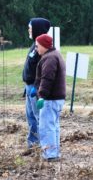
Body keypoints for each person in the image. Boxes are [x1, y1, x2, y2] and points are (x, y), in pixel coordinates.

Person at [33, 34, 66, 161]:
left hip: (50, 99)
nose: (36, 49)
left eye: (37, 46)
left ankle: (50, 154)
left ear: (43, 45)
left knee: (46, 126)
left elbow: (47, 79)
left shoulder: (49, 58)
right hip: (57, 98)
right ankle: (54, 152)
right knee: (54, 126)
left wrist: (41, 96)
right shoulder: (55, 54)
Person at [22, 18, 51, 155]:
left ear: (37, 29)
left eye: (30, 27)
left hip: (36, 89)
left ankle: (44, 147)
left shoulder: (42, 49)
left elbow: (42, 71)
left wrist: (36, 86)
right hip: (29, 87)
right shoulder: (34, 46)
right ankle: (33, 146)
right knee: (31, 117)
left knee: (39, 117)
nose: (28, 30)